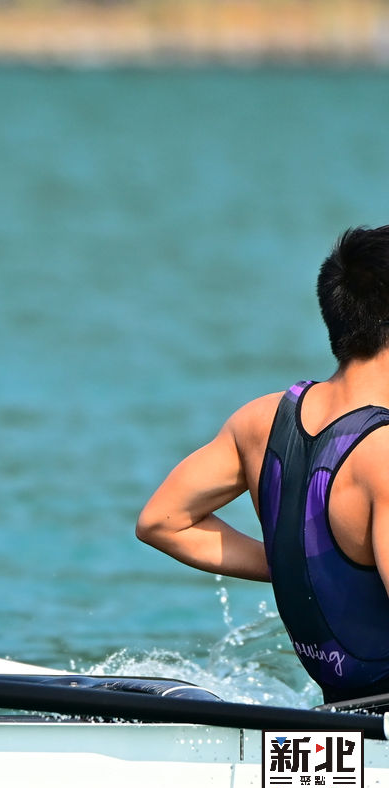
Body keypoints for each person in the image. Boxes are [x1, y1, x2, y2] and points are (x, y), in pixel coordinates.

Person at [136, 225, 389, 704]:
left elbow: (162, 521)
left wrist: (301, 565)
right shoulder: (385, 455)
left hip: (330, 724)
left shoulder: (261, 420)